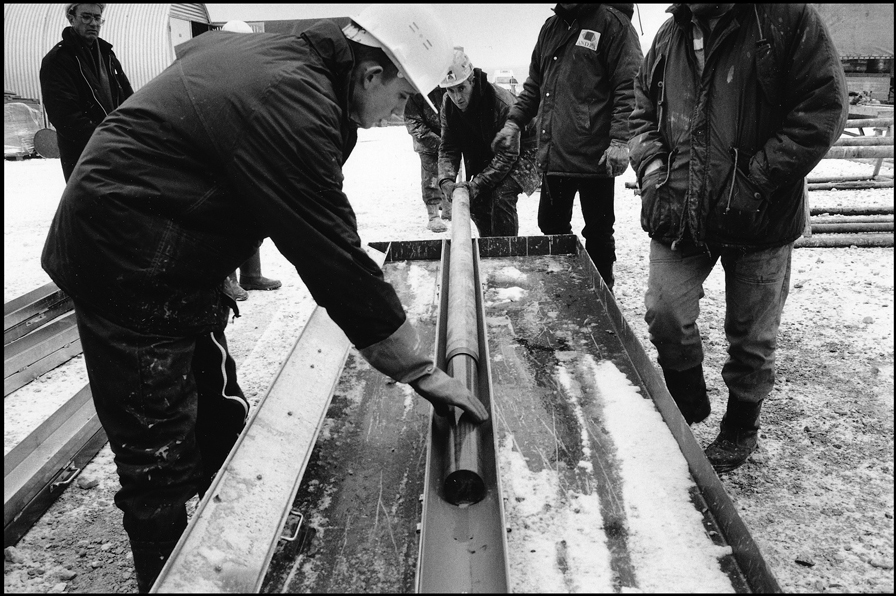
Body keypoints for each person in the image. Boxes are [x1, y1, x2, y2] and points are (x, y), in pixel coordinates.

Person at [40, 5, 488, 592]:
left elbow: (216, 150)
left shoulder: (286, 64)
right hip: (125, 260)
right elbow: (330, 249)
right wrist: (419, 369)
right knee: (158, 447)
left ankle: (230, 535)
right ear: (371, 73)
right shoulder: (291, 98)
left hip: (166, 243)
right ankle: (170, 573)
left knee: (217, 408)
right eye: (402, 97)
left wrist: (214, 260)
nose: (397, 114)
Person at [628, 4, 848, 472]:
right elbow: (641, 109)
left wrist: (757, 179)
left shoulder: (787, 20)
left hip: (760, 214)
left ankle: (741, 425)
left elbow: (823, 107)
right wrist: (651, 171)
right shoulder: (671, 34)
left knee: (752, 336)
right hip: (680, 210)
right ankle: (688, 404)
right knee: (665, 311)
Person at [491, 3, 642, 290]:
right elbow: (534, 85)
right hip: (554, 153)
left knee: (597, 233)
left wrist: (621, 140)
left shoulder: (613, 24)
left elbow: (630, 86)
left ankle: (601, 293)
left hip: (594, 159)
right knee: (550, 227)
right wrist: (513, 123)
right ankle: (564, 288)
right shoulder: (551, 27)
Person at [437, 48, 540, 237]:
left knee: (501, 195)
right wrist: (446, 179)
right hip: (488, 151)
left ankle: (506, 252)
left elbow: (508, 154)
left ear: (472, 81)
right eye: (451, 90)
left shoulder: (501, 103)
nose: (457, 97)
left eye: (461, 88)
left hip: (527, 149)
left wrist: (477, 183)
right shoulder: (448, 105)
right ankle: (488, 246)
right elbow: (448, 146)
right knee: (476, 199)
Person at [217, 20, 282, 301]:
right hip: (221, 151)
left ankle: (251, 274)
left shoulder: (250, 69)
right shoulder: (216, 70)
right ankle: (226, 279)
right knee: (225, 216)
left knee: (251, 209)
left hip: (247, 149)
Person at [39, 3, 133, 182]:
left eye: (97, 18)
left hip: (116, 151)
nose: (93, 23)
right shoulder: (58, 60)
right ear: (71, 18)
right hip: (83, 154)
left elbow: (129, 99)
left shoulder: (108, 57)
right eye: (86, 17)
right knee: (90, 205)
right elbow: (65, 116)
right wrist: (105, 141)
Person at [404, 87, 451, 233]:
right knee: (431, 177)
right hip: (427, 142)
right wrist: (439, 142)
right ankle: (433, 216)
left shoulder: (449, 88)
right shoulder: (418, 92)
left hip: (450, 142)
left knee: (450, 174)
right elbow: (413, 122)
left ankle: (448, 208)